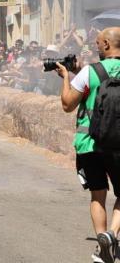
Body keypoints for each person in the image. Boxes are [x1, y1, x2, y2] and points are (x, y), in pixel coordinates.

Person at [55, 27, 120, 263]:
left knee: (98, 195)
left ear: (105, 44)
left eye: (97, 43)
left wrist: (67, 78)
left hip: (90, 144)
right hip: (119, 144)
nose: (95, 46)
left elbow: (67, 105)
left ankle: (103, 240)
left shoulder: (90, 72)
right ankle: (112, 235)